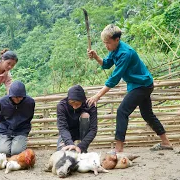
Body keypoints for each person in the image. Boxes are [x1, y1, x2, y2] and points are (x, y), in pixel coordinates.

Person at [86, 24, 173, 152]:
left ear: (117, 40)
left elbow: (114, 78)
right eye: (104, 43)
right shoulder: (114, 49)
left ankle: (118, 149)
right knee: (147, 114)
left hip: (142, 85)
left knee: (122, 111)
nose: (106, 46)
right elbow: (106, 64)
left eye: (108, 43)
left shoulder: (125, 53)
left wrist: (97, 96)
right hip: (138, 84)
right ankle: (166, 143)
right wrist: (96, 57)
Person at [0, 80, 35, 159]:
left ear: (24, 96)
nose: (17, 99)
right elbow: (0, 117)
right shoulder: (2, 102)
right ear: (10, 95)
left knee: (16, 152)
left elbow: (29, 117)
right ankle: (7, 143)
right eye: (15, 97)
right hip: (5, 129)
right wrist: (7, 126)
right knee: (4, 151)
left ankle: (18, 143)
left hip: (21, 130)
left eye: (20, 97)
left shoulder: (30, 102)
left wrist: (24, 129)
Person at [56, 85, 97, 153]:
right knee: (62, 152)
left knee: (85, 115)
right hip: (68, 133)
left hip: (83, 133)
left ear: (83, 100)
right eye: (71, 103)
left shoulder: (90, 105)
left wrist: (81, 146)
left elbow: (93, 129)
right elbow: (62, 128)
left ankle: (83, 149)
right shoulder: (61, 106)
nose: (74, 107)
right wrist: (70, 145)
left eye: (77, 104)